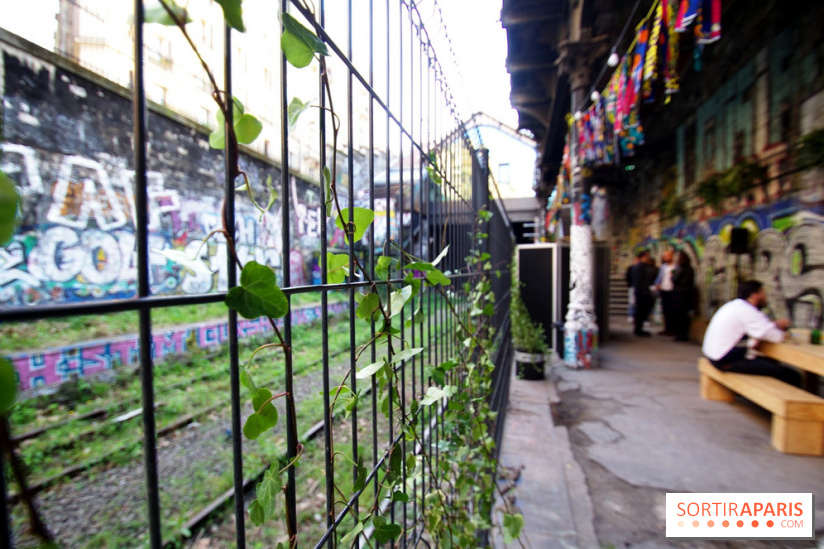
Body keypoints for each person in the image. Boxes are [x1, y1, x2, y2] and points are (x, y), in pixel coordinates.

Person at [702, 280, 801, 386]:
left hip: (715, 356)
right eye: (763, 294)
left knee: (771, 363)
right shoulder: (748, 311)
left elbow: (762, 326)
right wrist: (781, 327)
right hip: (725, 360)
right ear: (755, 296)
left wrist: (774, 324)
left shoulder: (735, 305)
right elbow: (777, 337)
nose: (766, 298)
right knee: (792, 375)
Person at [626, 249, 658, 337]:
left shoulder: (641, 267)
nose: (649, 258)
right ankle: (638, 329)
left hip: (642, 291)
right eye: (647, 256)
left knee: (642, 310)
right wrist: (642, 290)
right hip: (641, 292)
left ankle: (639, 328)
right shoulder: (640, 267)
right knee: (641, 310)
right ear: (643, 257)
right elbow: (638, 281)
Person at [670, 250, 695, 341]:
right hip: (688, 294)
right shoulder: (690, 269)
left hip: (679, 294)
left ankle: (680, 334)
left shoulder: (680, 269)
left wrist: (672, 275)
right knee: (685, 316)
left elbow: (674, 280)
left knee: (679, 315)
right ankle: (684, 334)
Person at [654, 249, 676, 336]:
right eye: (664, 256)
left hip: (672, 290)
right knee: (665, 310)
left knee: (672, 310)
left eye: (667, 256)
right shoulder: (663, 267)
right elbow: (660, 276)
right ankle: (666, 328)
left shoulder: (675, 266)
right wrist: (657, 284)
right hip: (663, 289)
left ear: (671, 256)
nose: (665, 258)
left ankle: (672, 329)